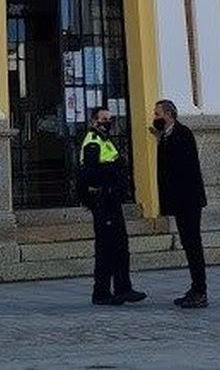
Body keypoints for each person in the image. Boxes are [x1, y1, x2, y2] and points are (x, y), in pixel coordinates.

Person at [79, 106, 145, 305]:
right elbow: (90, 174)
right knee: (107, 246)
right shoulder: (93, 142)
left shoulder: (105, 140)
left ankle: (122, 288)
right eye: (103, 119)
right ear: (94, 121)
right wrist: (111, 171)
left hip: (111, 198)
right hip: (103, 200)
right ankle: (102, 292)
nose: (108, 122)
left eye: (110, 119)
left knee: (119, 245)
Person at [153, 99, 208, 309]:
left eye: (158, 113)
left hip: (188, 199)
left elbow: (183, 169)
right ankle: (195, 288)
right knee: (188, 243)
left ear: (169, 114)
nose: (155, 117)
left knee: (193, 243)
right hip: (179, 200)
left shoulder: (182, 134)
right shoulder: (165, 136)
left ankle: (200, 291)